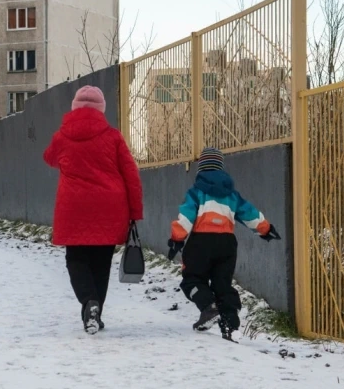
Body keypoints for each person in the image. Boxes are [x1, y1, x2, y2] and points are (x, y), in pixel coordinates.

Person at [43, 85, 144, 335]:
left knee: (76, 259)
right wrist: (135, 212)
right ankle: (96, 312)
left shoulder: (62, 136)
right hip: (110, 207)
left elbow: (49, 158)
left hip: (74, 208)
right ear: (101, 110)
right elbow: (131, 175)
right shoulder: (113, 137)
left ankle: (90, 303)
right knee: (101, 262)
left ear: (75, 108)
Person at [168, 147, 280, 341]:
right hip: (227, 244)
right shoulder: (232, 195)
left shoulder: (196, 193)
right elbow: (250, 214)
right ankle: (229, 318)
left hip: (200, 243)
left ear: (201, 169)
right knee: (222, 282)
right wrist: (265, 228)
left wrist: (177, 239)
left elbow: (186, 217)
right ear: (221, 168)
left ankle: (208, 307)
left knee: (192, 280)